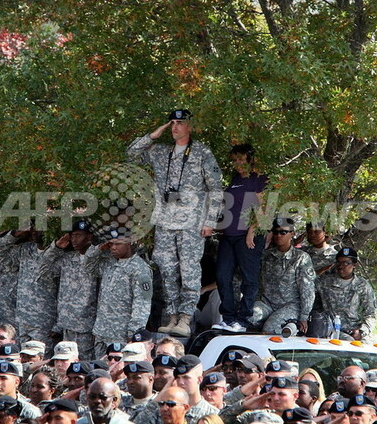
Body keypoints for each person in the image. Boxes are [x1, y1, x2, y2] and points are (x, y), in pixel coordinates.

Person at [128, 109, 223, 338]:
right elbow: (131, 153)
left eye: (180, 123)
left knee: (189, 270)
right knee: (167, 269)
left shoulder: (201, 152)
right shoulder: (161, 152)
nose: (174, 127)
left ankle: (186, 317)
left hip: (191, 222)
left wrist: (210, 221)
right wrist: (154, 134)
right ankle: (171, 317)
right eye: (172, 123)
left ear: (190, 126)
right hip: (165, 221)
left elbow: (216, 188)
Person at [213, 143, 268, 332]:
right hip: (229, 235)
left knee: (249, 278)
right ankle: (228, 317)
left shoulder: (258, 179)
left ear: (250, 159)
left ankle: (243, 320)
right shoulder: (235, 179)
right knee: (222, 275)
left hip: (248, 235)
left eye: (242, 159)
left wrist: (252, 230)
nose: (238, 163)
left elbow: (263, 210)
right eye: (235, 160)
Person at [86, 230, 153, 355]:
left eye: (118, 244)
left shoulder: (141, 269)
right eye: (111, 244)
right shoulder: (110, 263)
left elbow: (143, 302)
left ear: (128, 243)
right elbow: (88, 267)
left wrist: (133, 333)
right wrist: (99, 249)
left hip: (121, 335)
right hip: (101, 332)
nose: (113, 247)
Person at [40, 219, 99, 360]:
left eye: (78, 235)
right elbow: (43, 271)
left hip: (87, 326)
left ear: (89, 237)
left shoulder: (100, 258)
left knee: (84, 365)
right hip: (66, 325)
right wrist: (56, 248)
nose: (74, 239)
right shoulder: (67, 259)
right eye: (72, 235)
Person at [249, 217, 315, 334]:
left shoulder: (301, 258)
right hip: (266, 303)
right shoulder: (267, 255)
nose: (279, 235)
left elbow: (307, 290)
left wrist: (304, 316)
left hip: (290, 305)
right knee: (247, 318)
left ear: (292, 234)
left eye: (283, 232)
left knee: (270, 328)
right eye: (276, 232)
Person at [0, 227, 55, 344]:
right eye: (33, 229)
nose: (34, 232)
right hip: (23, 320)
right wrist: (16, 233)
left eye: (39, 229)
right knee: (24, 358)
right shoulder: (26, 250)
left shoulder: (55, 252)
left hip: (44, 320)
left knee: (40, 357)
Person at [310, 247, 377, 341]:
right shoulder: (325, 282)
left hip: (354, 331)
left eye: (346, 263)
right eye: (339, 262)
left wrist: (361, 332)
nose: (341, 266)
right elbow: (307, 285)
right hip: (330, 331)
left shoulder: (362, 285)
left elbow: (371, 314)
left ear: (354, 265)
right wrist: (319, 271)